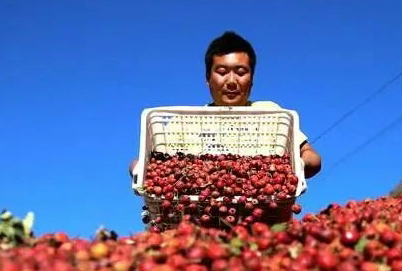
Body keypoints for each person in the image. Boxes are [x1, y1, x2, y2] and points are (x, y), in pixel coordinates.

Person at [129, 31, 322, 181]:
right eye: (222, 72)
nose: (231, 81)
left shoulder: (270, 112)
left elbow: (310, 156)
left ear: (251, 79)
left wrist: (294, 167)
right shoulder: (183, 121)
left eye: (240, 72)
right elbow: (150, 163)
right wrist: (139, 168)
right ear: (208, 79)